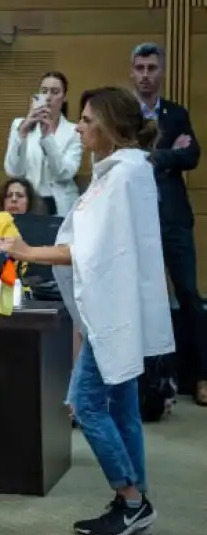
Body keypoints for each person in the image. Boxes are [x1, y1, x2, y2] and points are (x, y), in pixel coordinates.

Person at [0, 86, 172, 535]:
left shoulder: (123, 175)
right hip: (116, 307)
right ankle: (133, 500)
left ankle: (131, 498)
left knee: (87, 404)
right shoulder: (121, 170)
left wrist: (27, 250)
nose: (78, 127)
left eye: (87, 119)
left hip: (112, 309)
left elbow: (91, 251)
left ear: (112, 127)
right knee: (122, 407)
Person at [130, 42, 206, 406]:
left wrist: (155, 156)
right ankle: (152, 379)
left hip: (173, 217)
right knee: (143, 298)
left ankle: (201, 376)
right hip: (134, 218)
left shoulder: (176, 113)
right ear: (132, 71)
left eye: (152, 68)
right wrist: (169, 155)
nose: (146, 75)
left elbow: (191, 154)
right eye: (140, 68)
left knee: (188, 294)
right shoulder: (124, 113)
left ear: (161, 72)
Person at [2, 71, 81, 216]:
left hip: (61, 205)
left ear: (64, 97)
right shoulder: (19, 125)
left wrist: (47, 137)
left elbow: (63, 174)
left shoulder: (74, 131)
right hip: (28, 204)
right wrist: (22, 133)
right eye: (44, 91)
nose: (49, 97)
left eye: (55, 92)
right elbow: (13, 171)